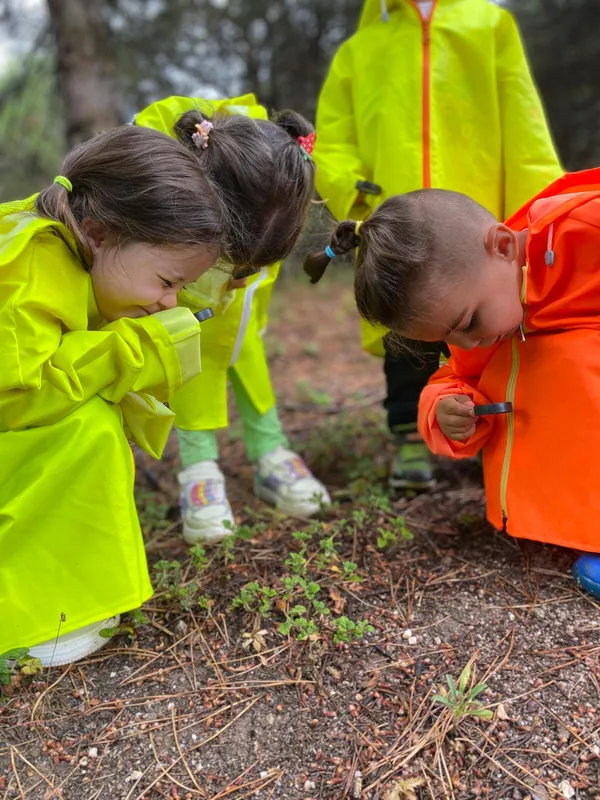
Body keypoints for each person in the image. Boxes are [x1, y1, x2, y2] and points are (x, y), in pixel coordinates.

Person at [304, 168, 600, 597]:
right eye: (445, 338)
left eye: (468, 322)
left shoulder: (584, 230)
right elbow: (456, 375)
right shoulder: (482, 315)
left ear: (502, 246)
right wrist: (445, 407)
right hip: (571, 497)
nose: (466, 342)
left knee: (568, 356)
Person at [312, 0, 562, 490]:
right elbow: (333, 141)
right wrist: (357, 190)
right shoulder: (359, 50)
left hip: (475, 220)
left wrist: (541, 213)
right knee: (407, 339)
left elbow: (523, 121)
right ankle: (410, 434)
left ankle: (495, 427)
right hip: (395, 224)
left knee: (489, 334)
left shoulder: (489, 25)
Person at [0, 125, 225, 664]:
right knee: (88, 427)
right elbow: (14, 398)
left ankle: (65, 591)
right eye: (166, 281)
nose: (168, 300)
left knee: (91, 418)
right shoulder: (32, 266)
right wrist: (129, 348)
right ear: (99, 232)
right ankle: (36, 615)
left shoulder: (71, 252)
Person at [133, 95, 331, 543]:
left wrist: (245, 273)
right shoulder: (164, 148)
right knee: (192, 355)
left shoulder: (279, 164)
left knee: (246, 349)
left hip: (242, 306)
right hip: (182, 287)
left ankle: (270, 451)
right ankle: (199, 466)